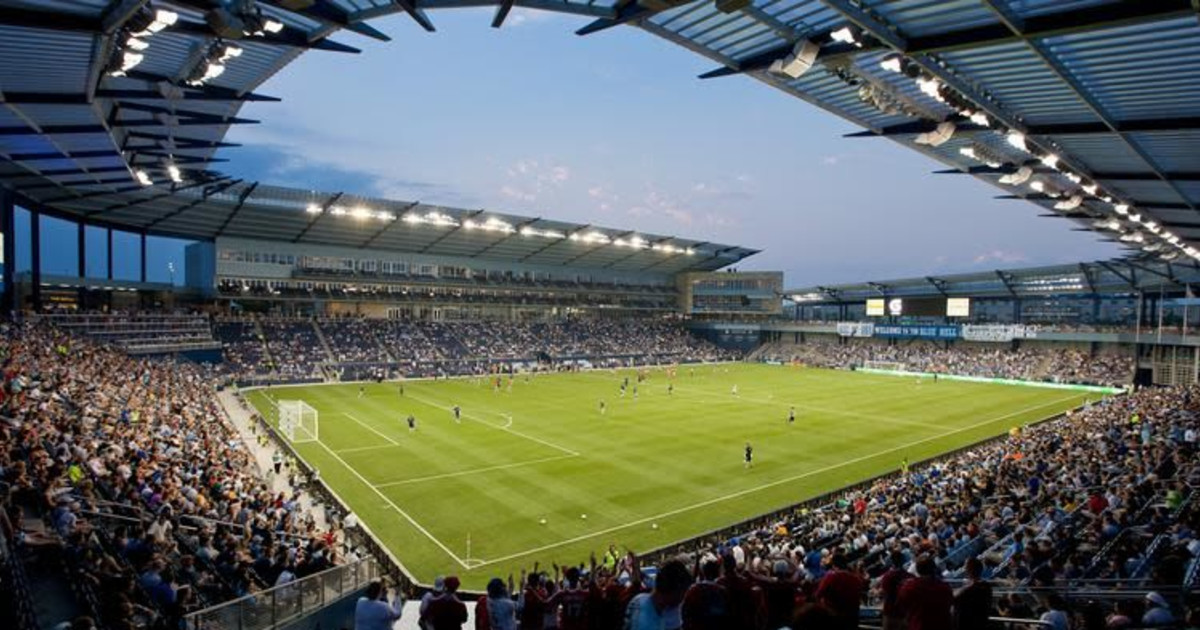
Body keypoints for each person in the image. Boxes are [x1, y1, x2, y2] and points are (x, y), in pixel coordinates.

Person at [624, 558, 692, 630]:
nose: (684, 598)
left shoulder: (639, 599)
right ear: (676, 592)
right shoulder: (647, 624)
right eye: (684, 592)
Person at [894, 555, 952, 630]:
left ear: (918, 570)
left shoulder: (908, 587)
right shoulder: (944, 587)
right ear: (934, 568)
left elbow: (900, 606)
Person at [815, 553, 866, 630]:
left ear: (834, 565)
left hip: (835, 617)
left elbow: (818, 594)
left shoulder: (831, 577)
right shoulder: (856, 579)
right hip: (853, 617)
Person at [953, 557, 992, 630]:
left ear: (969, 569)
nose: (964, 568)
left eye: (966, 566)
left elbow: (954, 598)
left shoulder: (970, 588)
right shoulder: (987, 586)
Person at [876, 551, 911, 630]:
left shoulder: (888, 576)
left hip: (891, 612)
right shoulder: (909, 576)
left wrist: (875, 592)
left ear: (892, 561)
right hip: (905, 612)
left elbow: (882, 592)